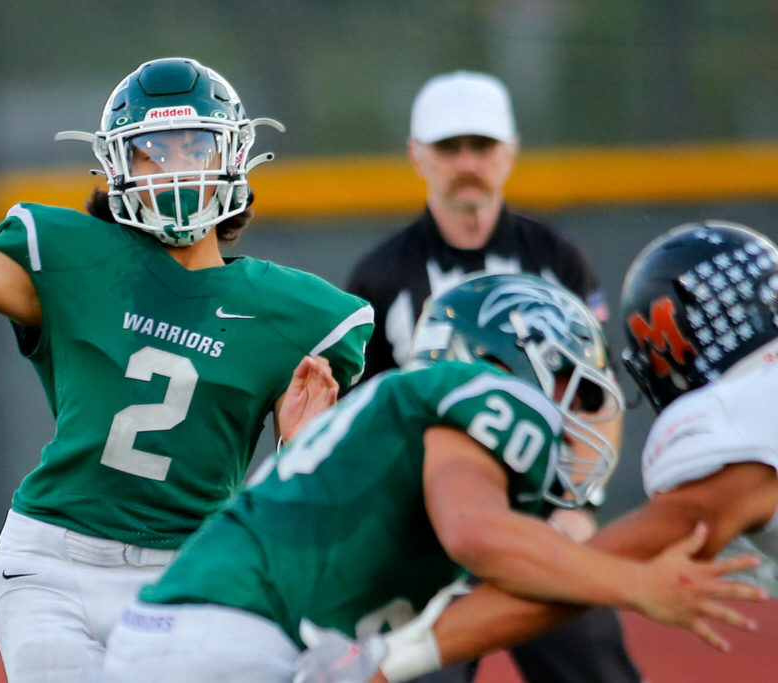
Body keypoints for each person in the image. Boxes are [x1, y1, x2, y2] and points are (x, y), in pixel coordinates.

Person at [0, 56, 374, 681]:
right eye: (151, 153)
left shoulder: (300, 316)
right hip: (53, 565)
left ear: (234, 155)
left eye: (194, 147)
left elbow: (322, 497)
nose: (175, 170)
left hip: (191, 570)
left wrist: (301, 447)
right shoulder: (71, 257)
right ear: (115, 167)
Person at [102, 273, 760, 683]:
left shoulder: (402, 413)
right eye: (577, 391)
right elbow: (476, 534)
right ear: (524, 361)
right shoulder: (480, 391)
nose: (580, 417)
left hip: (171, 636)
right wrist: (635, 583)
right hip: (237, 641)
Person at [296, 220, 778, 681]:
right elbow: (497, 548)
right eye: (565, 389)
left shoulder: (738, 423)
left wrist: (392, 659)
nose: (573, 419)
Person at [345, 69, 633, 682]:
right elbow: (363, 418)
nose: (467, 163)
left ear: (510, 152)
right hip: (425, 533)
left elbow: (594, 396)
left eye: (482, 146)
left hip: (540, 519)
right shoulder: (380, 277)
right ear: (417, 156)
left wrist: (581, 505)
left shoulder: (556, 260)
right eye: (450, 148)